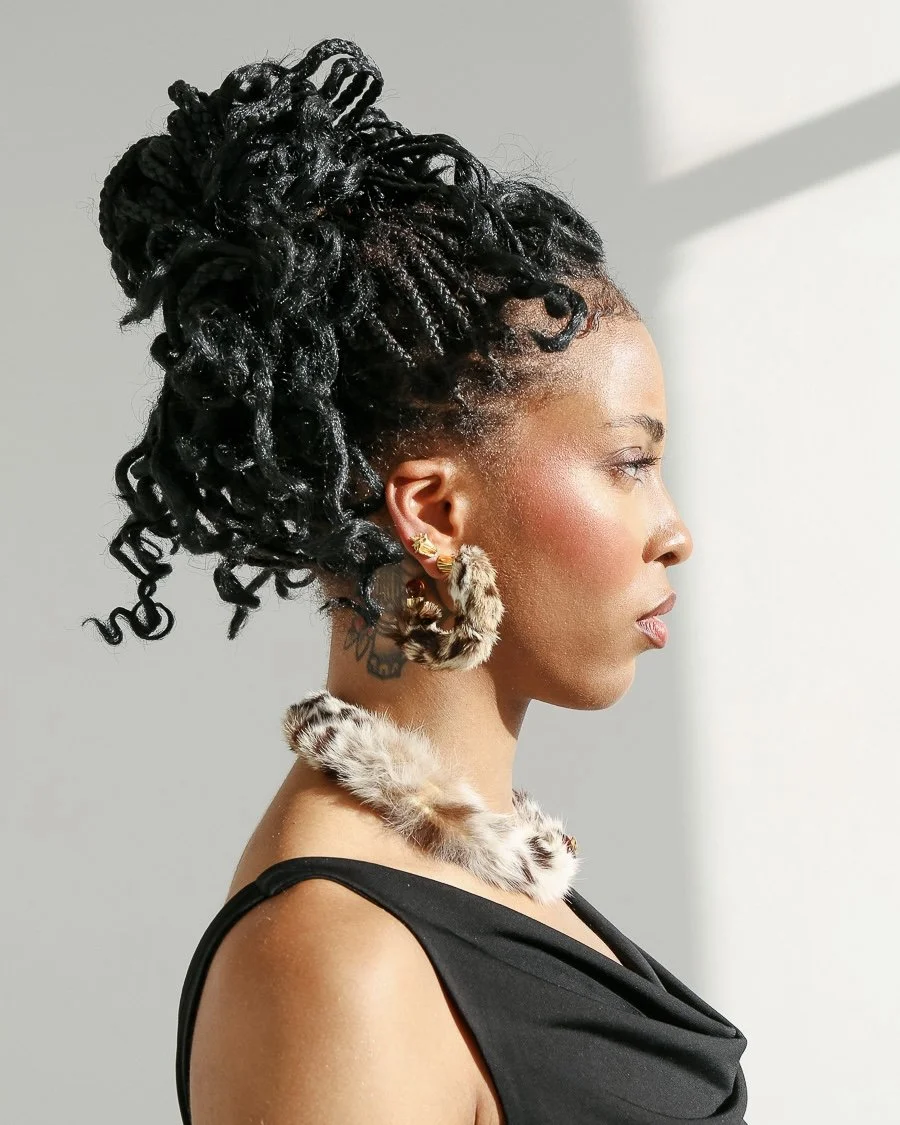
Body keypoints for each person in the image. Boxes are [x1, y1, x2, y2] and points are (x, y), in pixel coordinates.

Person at [85, 37, 749, 1125]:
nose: (674, 532)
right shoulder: (341, 961)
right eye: (630, 463)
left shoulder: (465, 877)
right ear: (435, 512)